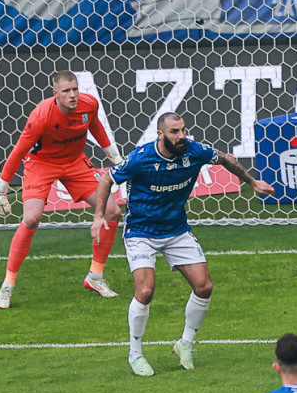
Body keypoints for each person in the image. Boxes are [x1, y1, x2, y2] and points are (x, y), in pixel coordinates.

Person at [91, 111, 273, 376]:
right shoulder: (141, 158)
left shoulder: (194, 151)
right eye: (174, 131)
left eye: (183, 130)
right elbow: (107, 178)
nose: (181, 136)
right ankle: (135, 353)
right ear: (161, 134)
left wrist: (252, 181)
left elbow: (224, 158)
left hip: (176, 230)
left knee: (204, 286)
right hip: (141, 232)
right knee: (145, 291)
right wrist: (99, 215)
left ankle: (185, 344)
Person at [0, 70, 125, 309]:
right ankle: (7, 285)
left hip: (75, 162)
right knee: (31, 218)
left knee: (112, 211)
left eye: (75, 89)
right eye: (66, 91)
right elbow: (19, 151)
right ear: (55, 94)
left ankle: (95, 277)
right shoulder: (41, 116)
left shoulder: (89, 104)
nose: (73, 95)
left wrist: (116, 159)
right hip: (41, 163)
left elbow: (96, 127)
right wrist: (1, 188)